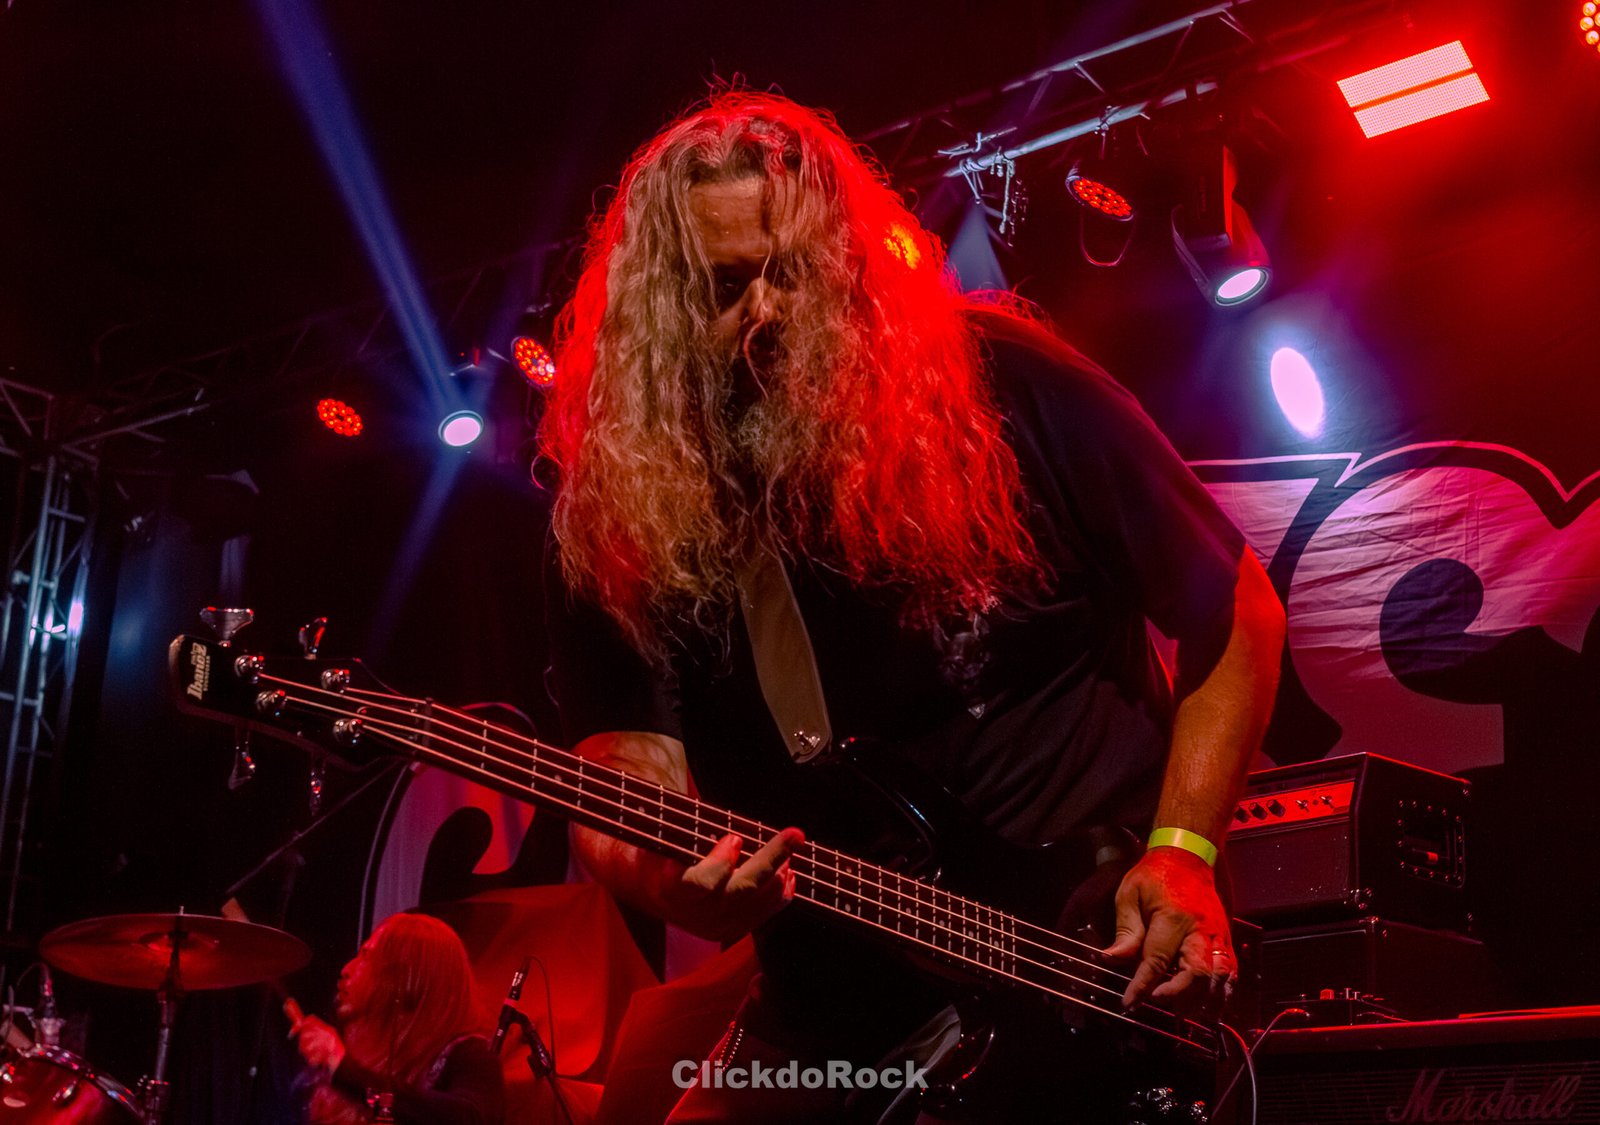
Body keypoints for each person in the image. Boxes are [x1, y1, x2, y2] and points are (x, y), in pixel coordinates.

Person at [539, 91, 1285, 1120]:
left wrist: (1184, 853)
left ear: (850, 267)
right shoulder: (626, 500)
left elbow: (1234, 610)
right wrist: (668, 882)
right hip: (830, 991)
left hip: (1090, 958)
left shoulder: (1007, 384)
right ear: (659, 309)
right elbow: (620, 766)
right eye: (724, 285)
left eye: (791, 274)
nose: (765, 313)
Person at [285, 912, 505, 1125]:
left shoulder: (468, 1055)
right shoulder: (361, 1047)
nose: (347, 969)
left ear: (407, 981)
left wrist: (344, 1069)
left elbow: (469, 1119)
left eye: (367, 957)